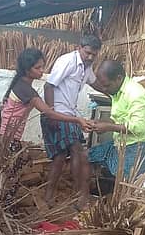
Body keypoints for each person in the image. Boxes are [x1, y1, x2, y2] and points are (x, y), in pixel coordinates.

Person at [0, 48, 92, 210]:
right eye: (38, 68)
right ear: (27, 69)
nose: (42, 71)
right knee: (10, 178)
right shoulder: (26, 90)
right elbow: (49, 112)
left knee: (8, 175)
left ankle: (3, 208)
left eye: (42, 66)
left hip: (5, 138)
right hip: (9, 139)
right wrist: (77, 119)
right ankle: (4, 210)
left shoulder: (21, 85)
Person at [42, 35, 101, 208]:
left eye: (94, 55)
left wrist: (115, 92)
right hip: (58, 113)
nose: (90, 57)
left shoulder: (87, 68)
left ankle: (52, 196)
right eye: (87, 53)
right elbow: (48, 86)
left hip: (70, 114)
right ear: (79, 48)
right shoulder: (67, 61)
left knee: (64, 155)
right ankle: (76, 197)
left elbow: (97, 84)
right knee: (75, 152)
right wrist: (51, 112)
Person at [88, 60, 145, 180]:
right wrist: (103, 125)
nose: (104, 89)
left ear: (118, 78)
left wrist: (108, 127)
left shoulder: (135, 93)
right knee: (86, 156)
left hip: (137, 148)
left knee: (127, 186)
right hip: (119, 144)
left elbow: (138, 128)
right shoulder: (117, 92)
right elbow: (118, 120)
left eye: (107, 85)